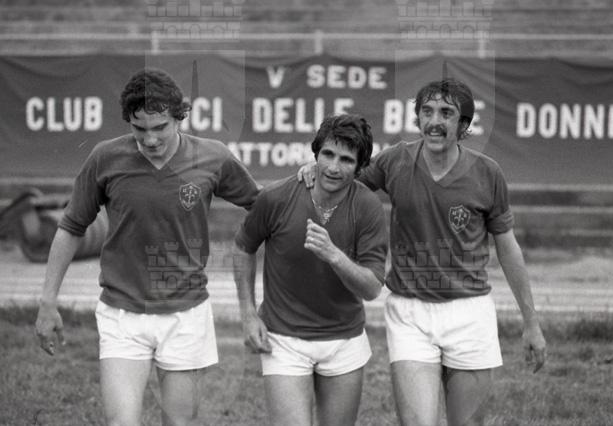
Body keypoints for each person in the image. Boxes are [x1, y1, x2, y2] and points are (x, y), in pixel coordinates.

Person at [299, 78, 547, 426]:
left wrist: (531, 323)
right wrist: (316, 170)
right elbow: (343, 182)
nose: (434, 121)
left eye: (446, 113)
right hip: (410, 312)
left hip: (470, 312)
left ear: (463, 124)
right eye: (427, 111)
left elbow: (508, 248)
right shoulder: (395, 160)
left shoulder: (488, 172)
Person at [35, 68, 260, 426]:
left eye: (160, 127)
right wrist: (48, 302)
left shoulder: (213, 157)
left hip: (186, 313)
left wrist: (305, 183)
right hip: (122, 312)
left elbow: (262, 204)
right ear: (128, 120)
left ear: (179, 117)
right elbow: (70, 227)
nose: (150, 139)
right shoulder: (105, 158)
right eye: (139, 129)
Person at [233, 114, 388, 426]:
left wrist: (334, 256)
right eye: (327, 154)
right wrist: (248, 313)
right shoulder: (276, 197)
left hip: (344, 339)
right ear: (315, 153)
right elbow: (243, 247)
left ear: (359, 166)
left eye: (346, 160)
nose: (333, 167)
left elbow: (372, 288)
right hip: (283, 338)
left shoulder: (368, 207)